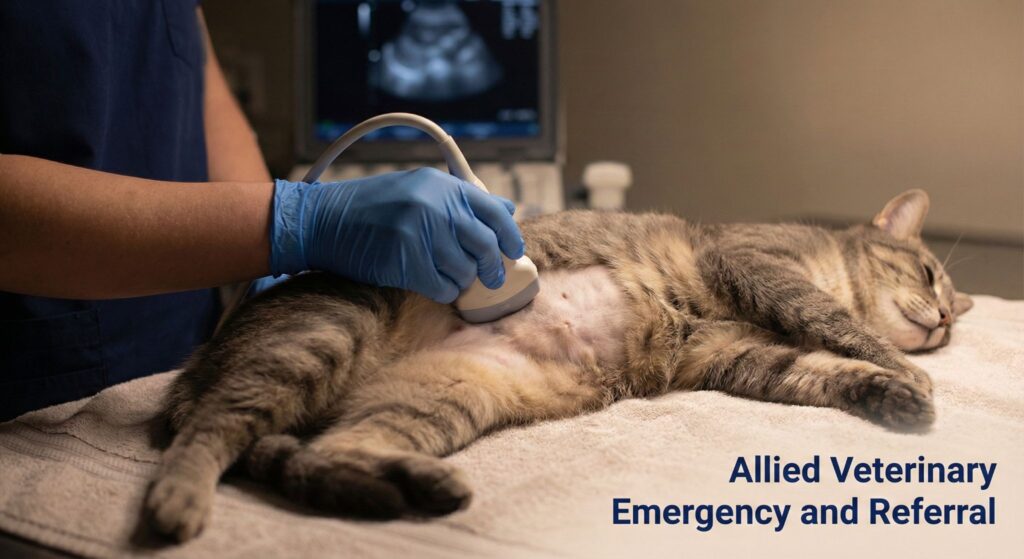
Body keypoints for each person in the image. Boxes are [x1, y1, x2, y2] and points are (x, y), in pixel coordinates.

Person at [0, 2, 523, 421]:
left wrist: (274, 264)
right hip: (43, 384)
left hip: (188, 344)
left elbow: (191, 66)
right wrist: (293, 221)